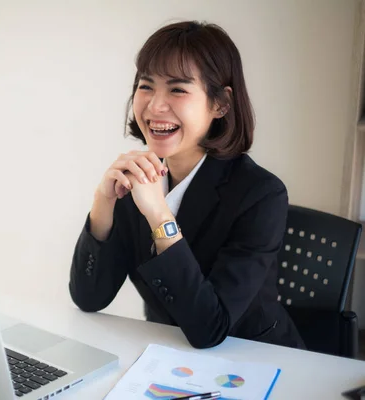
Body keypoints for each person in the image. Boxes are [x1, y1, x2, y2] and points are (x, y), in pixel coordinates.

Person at [69, 21, 305, 349]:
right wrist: (102, 203)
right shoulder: (137, 177)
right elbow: (89, 297)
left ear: (220, 104)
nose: (154, 106)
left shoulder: (261, 194)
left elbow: (210, 329)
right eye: (146, 86)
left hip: (253, 358)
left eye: (177, 89)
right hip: (168, 354)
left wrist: (159, 216)